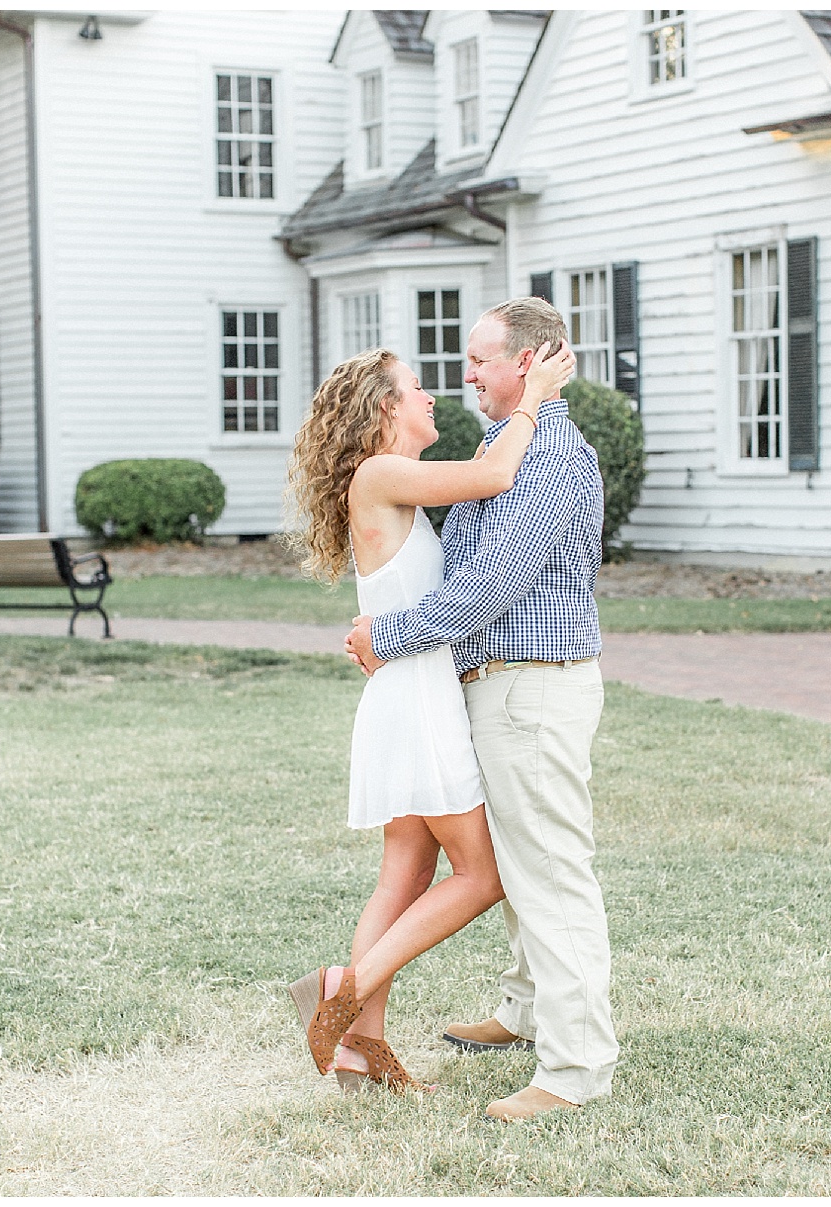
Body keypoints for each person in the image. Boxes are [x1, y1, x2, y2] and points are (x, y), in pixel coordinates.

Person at [345, 296, 614, 1122]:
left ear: (530, 362)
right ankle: (526, 1010)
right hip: (486, 684)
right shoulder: (504, 443)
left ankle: (573, 1071)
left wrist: (392, 633)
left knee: (550, 873)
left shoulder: (551, 456)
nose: (465, 376)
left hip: (531, 682)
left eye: (479, 360)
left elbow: (490, 584)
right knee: (515, 862)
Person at [285, 337, 576, 1095]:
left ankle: (363, 1048)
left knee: (406, 871)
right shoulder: (384, 472)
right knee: (481, 875)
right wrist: (537, 393)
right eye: (415, 389)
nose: (432, 398)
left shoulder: (388, 481)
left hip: (404, 686)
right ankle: (344, 989)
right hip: (416, 695)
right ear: (387, 408)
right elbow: (495, 473)